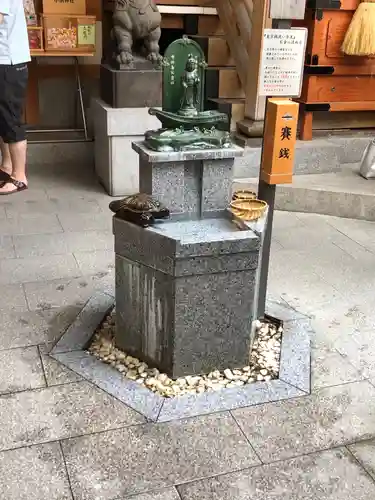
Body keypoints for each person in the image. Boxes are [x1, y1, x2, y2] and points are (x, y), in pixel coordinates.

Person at [0, 0, 30, 195]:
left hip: (9, 62)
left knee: (10, 118)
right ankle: (6, 167)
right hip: (5, 60)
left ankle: (19, 177)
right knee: (2, 118)